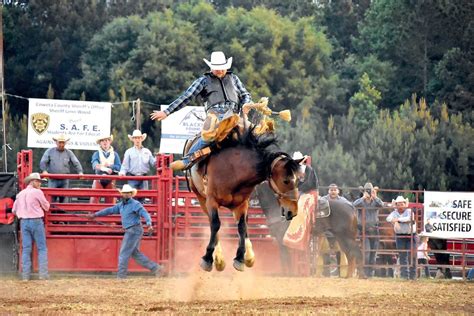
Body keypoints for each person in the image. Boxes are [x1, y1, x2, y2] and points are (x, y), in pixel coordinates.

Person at [150, 51, 252, 171]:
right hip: (215, 116)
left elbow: (245, 94)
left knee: (254, 132)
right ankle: (186, 160)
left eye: (222, 68)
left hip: (234, 115)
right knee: (208, 136)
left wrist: (246, 104)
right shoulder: (203, 80)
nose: (220, 71)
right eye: (217, 68)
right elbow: (186, 97)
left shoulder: (234, 78)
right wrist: (167, 112)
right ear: (211, 68)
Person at [87, 184, 162, 279]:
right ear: (122, 194)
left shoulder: (135, 204)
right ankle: (156, 268)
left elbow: (144, 213)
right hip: (133, 230)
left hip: (133, 230)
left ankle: (121, 277)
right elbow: (109, 210)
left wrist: (149, 223)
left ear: (131, 194)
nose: (126, 195)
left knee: (124, 253)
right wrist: (95, 215)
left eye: (128, 193)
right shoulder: (121, 205)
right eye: (124, 193)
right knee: (134, 254)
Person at [12, 173, 50, 281]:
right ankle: (43, 274)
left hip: (24, 222)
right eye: (38, 181)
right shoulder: (37, 192)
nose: (39, 184)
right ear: (33, 181)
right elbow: (46, 207)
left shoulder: (20, 194)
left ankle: (25, 276)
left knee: (26, 249)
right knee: (41, 248)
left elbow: (14, 210)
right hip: (36, 221)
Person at [40, 134, 83, 202]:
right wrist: (44, 170)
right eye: (60, 142)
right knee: (51, 197)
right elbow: (43, 162)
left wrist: (80, 172)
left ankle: (61, 211)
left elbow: (76, 162)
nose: (61, 144)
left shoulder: (69, 153)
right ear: (56, 142)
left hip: (64, 179)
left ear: (65, 143)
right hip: (53, 179)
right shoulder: (49, 151)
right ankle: (53, 210)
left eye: (63, 142)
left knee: (63, 197)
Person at [353, 182, 383, 277]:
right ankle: (365, 272)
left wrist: (375, 196)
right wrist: (363, 197)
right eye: (367, 191)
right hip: (364, 230)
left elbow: (382, 205)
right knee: (366, 252)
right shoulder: (361, 201)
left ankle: (370, 273)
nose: (369, 193)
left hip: (374, 229)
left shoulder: (376, 201)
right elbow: (354, 204)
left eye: (370, 191)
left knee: (373, 253)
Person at [386, 195, 417, 280]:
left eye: (401, 204)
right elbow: (388, 218)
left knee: (412, 255)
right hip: (400, 236)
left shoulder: (409, 211)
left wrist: (397, 220)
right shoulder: (394, 213)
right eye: (398, 204)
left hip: (411, 235)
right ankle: (405, 276)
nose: (400, 206)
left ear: (404, 204)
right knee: (403, 256)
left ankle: (412, 276)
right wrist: (396, 220)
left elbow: (410, 218)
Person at [90, 134, 121, 204]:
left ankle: (110, 214)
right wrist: (105, 168)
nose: (105, 142)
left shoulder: (115, 154)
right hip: (99, 179)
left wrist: (110, 166)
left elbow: (119, 167)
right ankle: (92, 214)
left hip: (111, 179)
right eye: (103, 141)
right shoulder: (96, 154)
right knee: (94, 199)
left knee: (111, 200)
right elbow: (95, 165)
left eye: (106, 140)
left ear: (109, 142)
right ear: (100, 143)